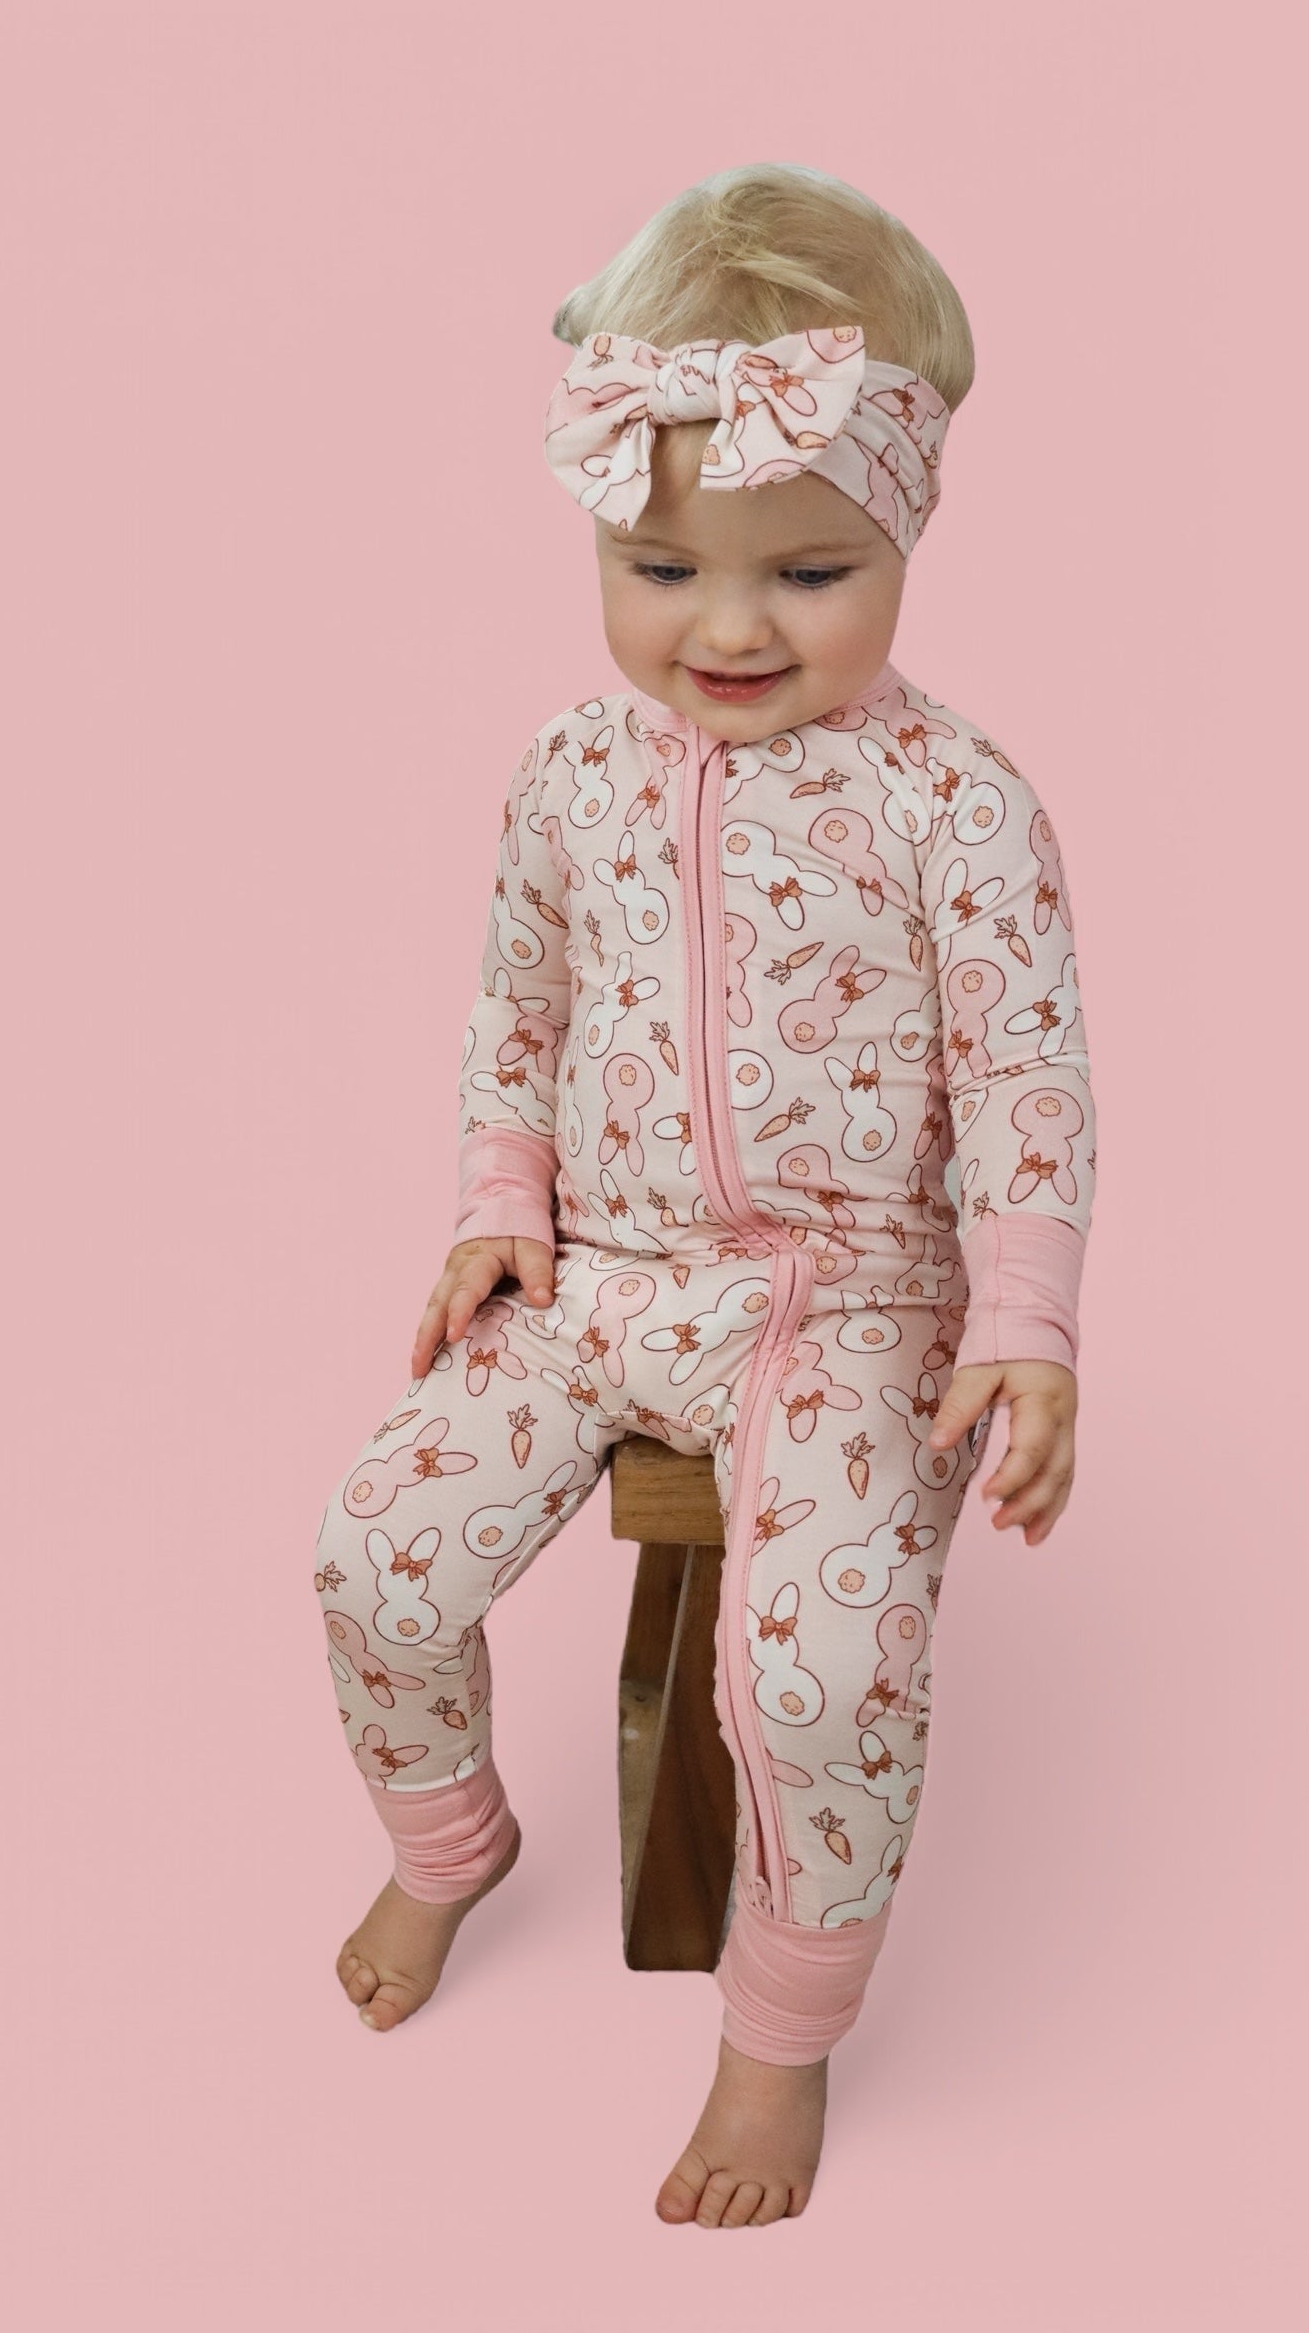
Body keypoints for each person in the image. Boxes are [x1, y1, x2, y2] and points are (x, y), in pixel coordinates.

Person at [313, 161, 1096, 2229]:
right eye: (660, 564)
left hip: (851, 1300)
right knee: (374, 1553)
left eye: (810, 571)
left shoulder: (957, 804)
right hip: (600, 1275)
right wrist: (499, 1195)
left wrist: (1024, 1325)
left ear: (908, 530)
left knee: (818, 1681)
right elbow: (517, 1001)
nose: (728, 627)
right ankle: (446, 1845)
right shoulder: (569, 771)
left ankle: (779, 2032)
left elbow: (1027, 1074)